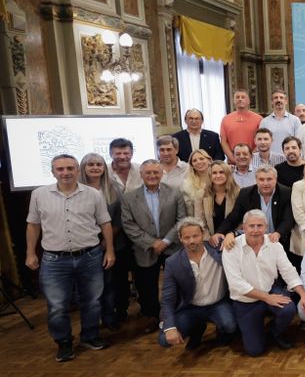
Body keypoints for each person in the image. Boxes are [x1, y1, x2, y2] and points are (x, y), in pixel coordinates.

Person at [27, 154, 115, 361]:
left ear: (77, 170)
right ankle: (64, 342)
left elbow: (105, 223)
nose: (65, 173)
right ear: (53, 172)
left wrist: (109, 250)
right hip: (54, 260)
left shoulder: (93, 194)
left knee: (92, 301)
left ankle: (90, 335)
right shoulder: (39, 195)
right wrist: (30, 252)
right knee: (57, 305)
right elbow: (33, 225)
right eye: (60, 169)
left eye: (69, 168)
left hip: (90, 256)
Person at [222, 209, 305, 355]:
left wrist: (304, 295)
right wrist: (267, 298)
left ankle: (275, 332)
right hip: (245, 301)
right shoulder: (231, 248)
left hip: (269, 289)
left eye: (260, 226)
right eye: (251, 226)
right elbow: (236, 284)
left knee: (288, 309)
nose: (256, 230)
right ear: (243, 228)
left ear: (266, 227)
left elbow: (288, 270)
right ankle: (255, 331)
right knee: (254, 351)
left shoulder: (274, 244)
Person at [120, 159, 186, 332]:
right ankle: (152, 316)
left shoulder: (175, 193)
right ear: (141, 175)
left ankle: (177, 315)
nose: (152, 176)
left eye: (156, 172)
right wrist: (151, 243)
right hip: (144, 249)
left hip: (171, 247)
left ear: (161, 174)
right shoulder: (128, 198)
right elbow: (128, 225)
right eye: (148, 172)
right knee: (146, 285)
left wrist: (165, 241)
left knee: (176, 283)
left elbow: (181, 220)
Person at [158, 217, 236, 350]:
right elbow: (167, 299)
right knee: (164, 340)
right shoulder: (172, 262)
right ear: (180, 238)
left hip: (218, 303)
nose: (192, 241)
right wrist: (170, 327)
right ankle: (197, 328)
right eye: (187, 237)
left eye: (195, 236)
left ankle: (221, 332)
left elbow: (247, 232)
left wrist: (231, 233)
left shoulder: (218, 248)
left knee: (230, 325)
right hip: (191, 307)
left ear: (203, 234)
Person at [79, 153, 125, 331]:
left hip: (111, 243)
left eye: (99, 164)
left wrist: (107, 242)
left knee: (109, 283)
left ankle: (109, 316)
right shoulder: (76, 189)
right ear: (83, 168)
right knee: (89, 288)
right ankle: (91, 323)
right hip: (86, 245)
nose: (95, 167)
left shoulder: (113, 188)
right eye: (90, 164)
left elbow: (119, 218)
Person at [215, 165, 295, 254]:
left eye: (269, 179)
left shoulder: (286, 192)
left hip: (278, 241)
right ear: (256, 180)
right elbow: (233, 217)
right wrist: (220, 232)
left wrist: (278, 233)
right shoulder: (245, 193)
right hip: (254, 241)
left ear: (276, 179)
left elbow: (288, 219)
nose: (265, 183)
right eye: (261, 179)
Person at [196, 161, 240, 248]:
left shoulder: (238, 193)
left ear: (227, 174)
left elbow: (240, 220)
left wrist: (231, 235)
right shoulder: (201, 194)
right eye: (214, 173)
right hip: (210, 242)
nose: (218, 175)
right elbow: (200, 222)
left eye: (221, 172)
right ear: (210, 175)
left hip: (233, 240)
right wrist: (210, 238)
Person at [219, 89, 263, 162]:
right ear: (234, 101)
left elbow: (261, 140)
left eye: (243, 97)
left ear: (248, 101)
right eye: (237, 97)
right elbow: (223, 141)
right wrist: (232, 158)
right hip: (232, 162)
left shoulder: (259, 119)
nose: (240, 99)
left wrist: (251, 157)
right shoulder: (226, 119)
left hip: (254, 160)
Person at [180, 149, 212, 216]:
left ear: (209, 160)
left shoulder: (218, 178)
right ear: (192, 165)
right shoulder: (187, 185)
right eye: (194, 161)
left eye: (201, 158)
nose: (198, 162)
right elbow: (190, 212)